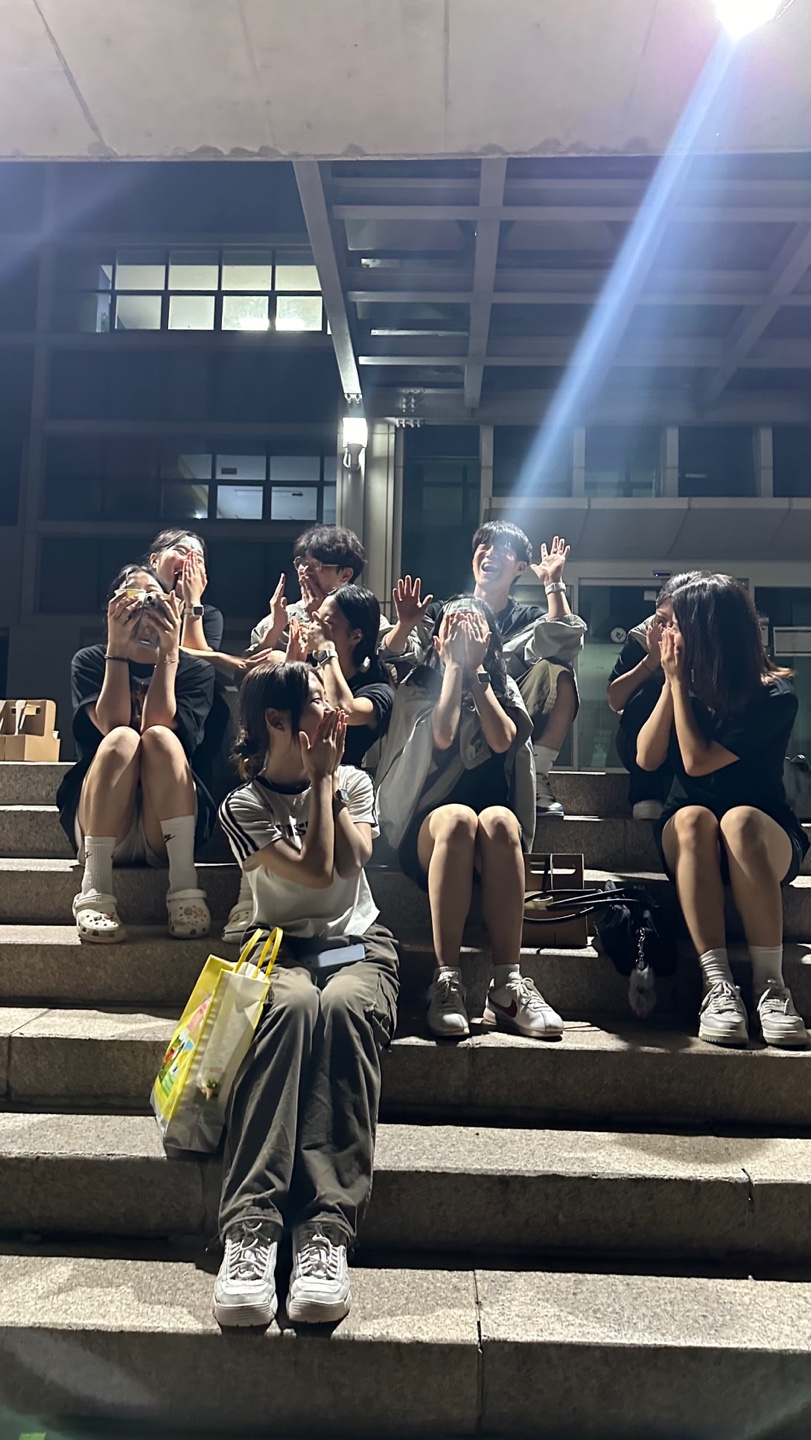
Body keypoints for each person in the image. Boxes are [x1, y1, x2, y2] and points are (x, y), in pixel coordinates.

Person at [215, 662, 399, 1328]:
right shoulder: (242, 806)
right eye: (318, 701)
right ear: (276, 720)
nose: (334, 709)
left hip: (355, 945)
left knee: (343, 1007)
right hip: (278, 948)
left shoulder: (354, 781)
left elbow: (350, 862)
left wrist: (329, 783)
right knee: (290, 1007)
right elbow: (315, 871)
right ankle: (251, 1227)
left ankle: (326, 1229)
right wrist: (318, 781)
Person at [376, 599, 562, 1042]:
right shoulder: (418, 684)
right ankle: (447, 980)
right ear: (438, 638)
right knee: (458, 819)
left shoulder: (501, 685)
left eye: (473, 629)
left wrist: (476, 673)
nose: (463, 637)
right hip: (429, 831)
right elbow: (441, 734)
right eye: (454, 628)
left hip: (491, 837)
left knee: (499, 820)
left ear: (489, 640)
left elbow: (502, 740)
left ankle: (508, 985)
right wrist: (453, 670)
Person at [637, 574, 808, 1049]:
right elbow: (647, 757)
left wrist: (677, 682)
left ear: (705, 629)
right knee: (696, 817)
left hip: (763, 835)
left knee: (738, 819)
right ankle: (718, 986)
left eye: (672, 623)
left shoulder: (773, 696)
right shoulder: (681, 685)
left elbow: (697, 761)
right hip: (689, 832)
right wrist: (671, 684)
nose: (662, 632)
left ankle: (771, 987)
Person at [56, 563, 215, 943]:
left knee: (159, 737)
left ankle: (184, 885)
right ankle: (95, 888)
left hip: (167, 824)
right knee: (122, 738)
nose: (143, 607)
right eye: (131, 596)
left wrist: (169, 652)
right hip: (103, 822)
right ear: (112, 606)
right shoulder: (90, 660)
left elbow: (159, 721)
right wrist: (117, 648)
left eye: (153, 598)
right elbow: (112, 723)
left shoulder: (195, 671)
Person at [383, 522, 586, 818]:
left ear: (519, 568)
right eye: (484, 546)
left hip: (498, 708)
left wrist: (553, 584)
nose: (490, 553)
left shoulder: (525, 618)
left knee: (559, 673)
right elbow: (394, 653)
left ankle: (537, 775)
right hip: (445, 708)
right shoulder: (446, 611)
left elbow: (564, 642)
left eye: (502, 549)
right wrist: (404, 625)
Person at [607, 573, 705, 820]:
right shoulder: (643, 635)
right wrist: (651, 661)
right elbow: (615, 699)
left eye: (677, 623)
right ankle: (645, 792)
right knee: (647, 693)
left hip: (693, 741)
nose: (667, 631)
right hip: (639, 742)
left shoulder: (710, 643)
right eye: (661, 620)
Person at [289, 584, 394, 769]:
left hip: (340, 779)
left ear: (355, 636)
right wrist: (292, 667)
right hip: (288, 775)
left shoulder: (378, 689)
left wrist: (326, 649)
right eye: (316, 619)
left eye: (327, 624)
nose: (315, 628)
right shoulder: (310, 669)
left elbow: (344, 711)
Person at [249, 525, 392, 655]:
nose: (305, 571)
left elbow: (386, 658)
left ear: (345, 575)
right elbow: (248, 667)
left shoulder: (366, 618)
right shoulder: (282, 618)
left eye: (316, 565)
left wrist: (319, 618)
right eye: (301, 563)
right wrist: (274, 629)